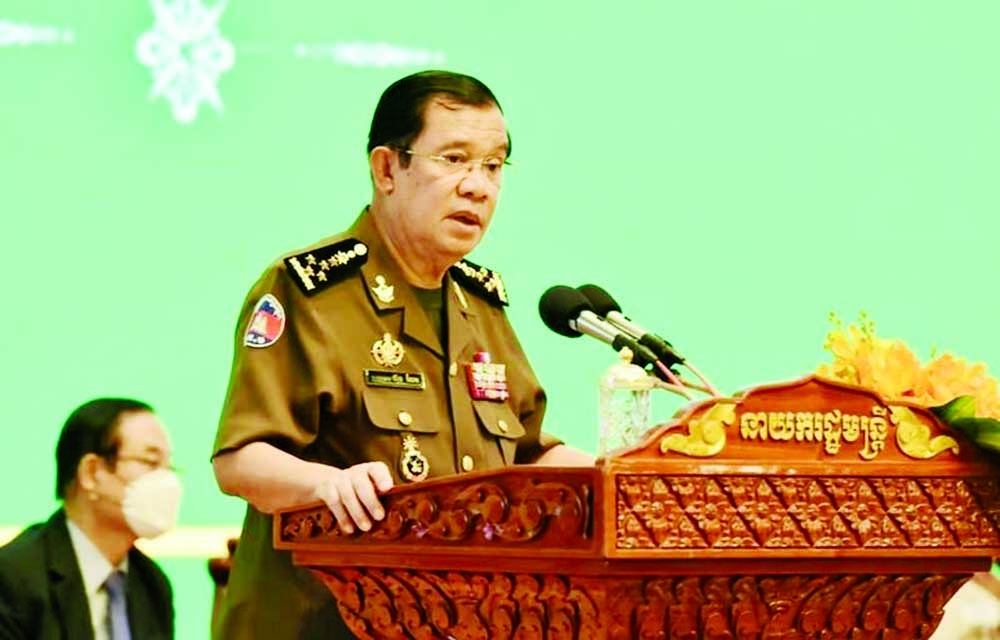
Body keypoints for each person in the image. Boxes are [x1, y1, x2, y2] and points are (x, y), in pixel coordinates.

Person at [211, 69, 595, 639]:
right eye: (454, 159)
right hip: (321, 625)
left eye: (493, 166)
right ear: (387, 169)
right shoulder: (309, 292)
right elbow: (239, 460)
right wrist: (324, 485)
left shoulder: (479, 303)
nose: (478, 187)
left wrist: (619, 476)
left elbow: (526, 455)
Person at [0, 398, 180, 640]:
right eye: (151, 462)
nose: (168, 480)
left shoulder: (152, 584)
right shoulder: (14, 579)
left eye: (171, 467)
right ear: (92, 473)